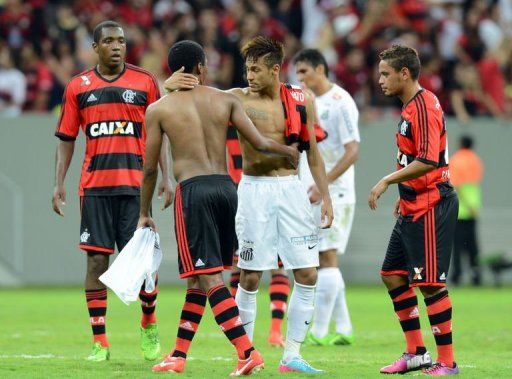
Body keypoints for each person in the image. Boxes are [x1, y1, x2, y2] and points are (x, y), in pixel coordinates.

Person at [139, 40, 299, 376]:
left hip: (194, 192)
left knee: (209, 276)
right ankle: (178, 355)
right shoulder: (224, 99)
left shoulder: (159, 109)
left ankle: (247, 352)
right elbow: (258, 142)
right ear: (200, 67)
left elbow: (151, 167)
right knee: (199, 280)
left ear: (173, 71)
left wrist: (144, 211)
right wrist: (289, 152)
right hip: (228, 189)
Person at [52, 20, 172, 362]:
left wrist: (167, 177)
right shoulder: (78, 87)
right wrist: (58, 183)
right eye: (109, 41)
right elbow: (66, 139)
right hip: (95, 189)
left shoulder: (145, 82)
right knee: (95, 261)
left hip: (137, 189)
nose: (117, 46)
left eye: (121, 40)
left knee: (144, 265)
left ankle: (148, 321)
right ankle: (100, 342)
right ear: (96, 47)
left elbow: (158, 134)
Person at [231, 36, 333, 374]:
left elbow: (314, 155)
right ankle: (246, 355)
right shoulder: (237, 99)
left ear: (275, 69)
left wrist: (326, 198)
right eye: (247, 69)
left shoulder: (302, 100)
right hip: (254, 190)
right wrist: (174, 85)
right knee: (249, 276)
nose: (250, 76)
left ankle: (291, 355)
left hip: (292, 189)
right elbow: (197, 100)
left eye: (256, 69)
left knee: (306, 272)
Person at [368, 44, 459, 376]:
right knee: (393, 275)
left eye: (385, 74)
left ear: (404, 73)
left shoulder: (423, 107)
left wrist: (387, 181)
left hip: (432, 205)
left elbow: (428, 159)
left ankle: (447, 362)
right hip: (412, 202)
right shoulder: (412, 106)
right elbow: (416, 160)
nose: (380, 80)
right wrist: (405, 188)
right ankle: (416, 352)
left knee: (431, 284)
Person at [294, 48, 360, 346]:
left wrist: (325, 184)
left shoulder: (340, 101)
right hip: (314, 189)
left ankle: (319, 332)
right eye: (297, 73)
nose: (300, 78)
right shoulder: (305, 101)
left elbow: (352, 150)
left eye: (304, 72)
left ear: (320, 69)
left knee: (326, 255)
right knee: (323, 255)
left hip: (337, 190)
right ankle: (344, 328)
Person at [227, 124, 291, 348]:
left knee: (242, 266)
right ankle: (274, 332)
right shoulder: (277, 110)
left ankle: (246, 335)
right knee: (274, 266)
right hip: (262, 191)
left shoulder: (227, 108)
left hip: (244, 193)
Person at [450, 135, 484, 286]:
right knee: (473, 247)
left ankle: (456, 277)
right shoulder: (476, 161)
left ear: (460, 144)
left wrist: (467, 205)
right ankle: (476, 276)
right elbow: (474, 185)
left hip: (460, 210)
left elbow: (456, 186)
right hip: (474, 210)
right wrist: (473, 206)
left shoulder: (456, 160)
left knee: (457, 247)